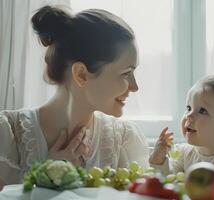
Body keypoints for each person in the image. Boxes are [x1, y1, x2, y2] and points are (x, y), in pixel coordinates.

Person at [0, 6, 149, 189]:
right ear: (81, 74)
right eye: (126, 73)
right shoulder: (8, 134)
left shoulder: (124, 140)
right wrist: (43, 179)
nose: (135, 87)